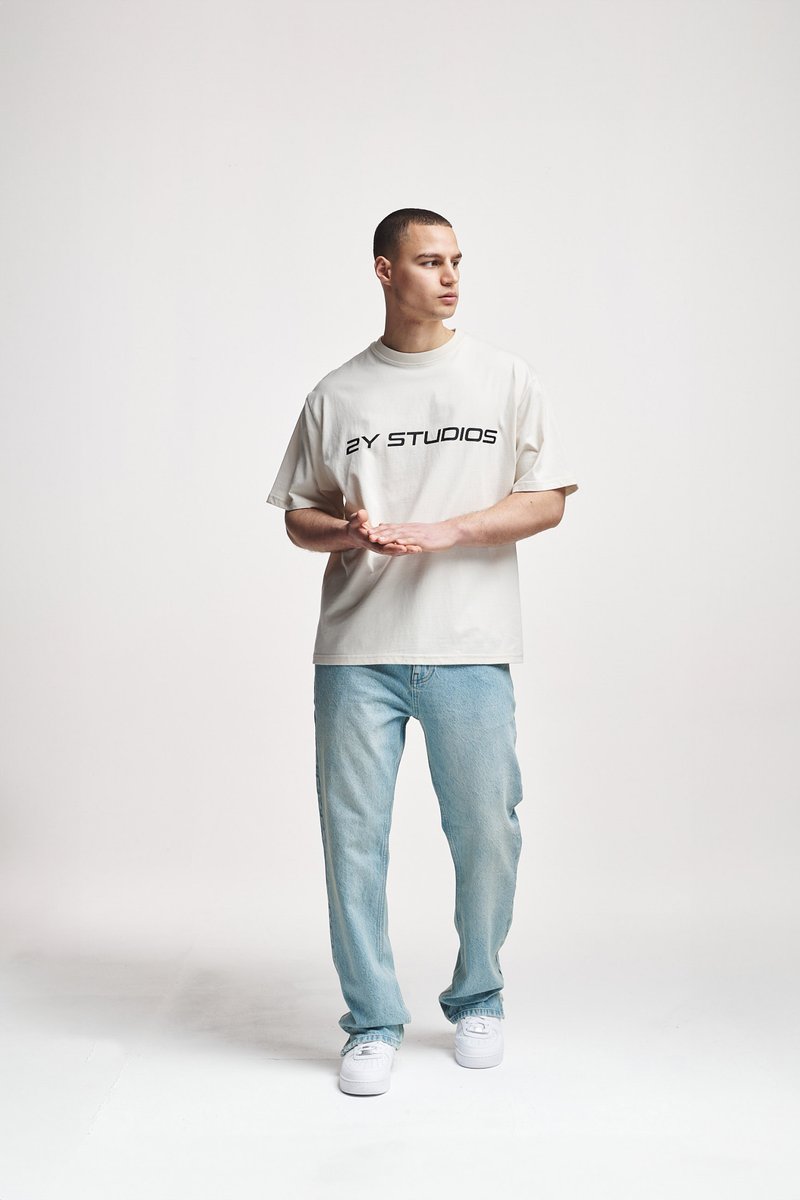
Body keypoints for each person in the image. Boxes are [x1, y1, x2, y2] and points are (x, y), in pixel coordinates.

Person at [266, 207, 579, 1096]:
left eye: (456, 262)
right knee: (353, 842)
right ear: (384, 270)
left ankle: (479, 995)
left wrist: (451, 529)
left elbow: (548, 499)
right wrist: (348, 531)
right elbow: (299, 517)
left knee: (487, 830)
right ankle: (371, 1021)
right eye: (430, 262)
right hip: (356, 652)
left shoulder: (503, 378)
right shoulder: (337, 394)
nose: (449, 278)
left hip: (469, 647)